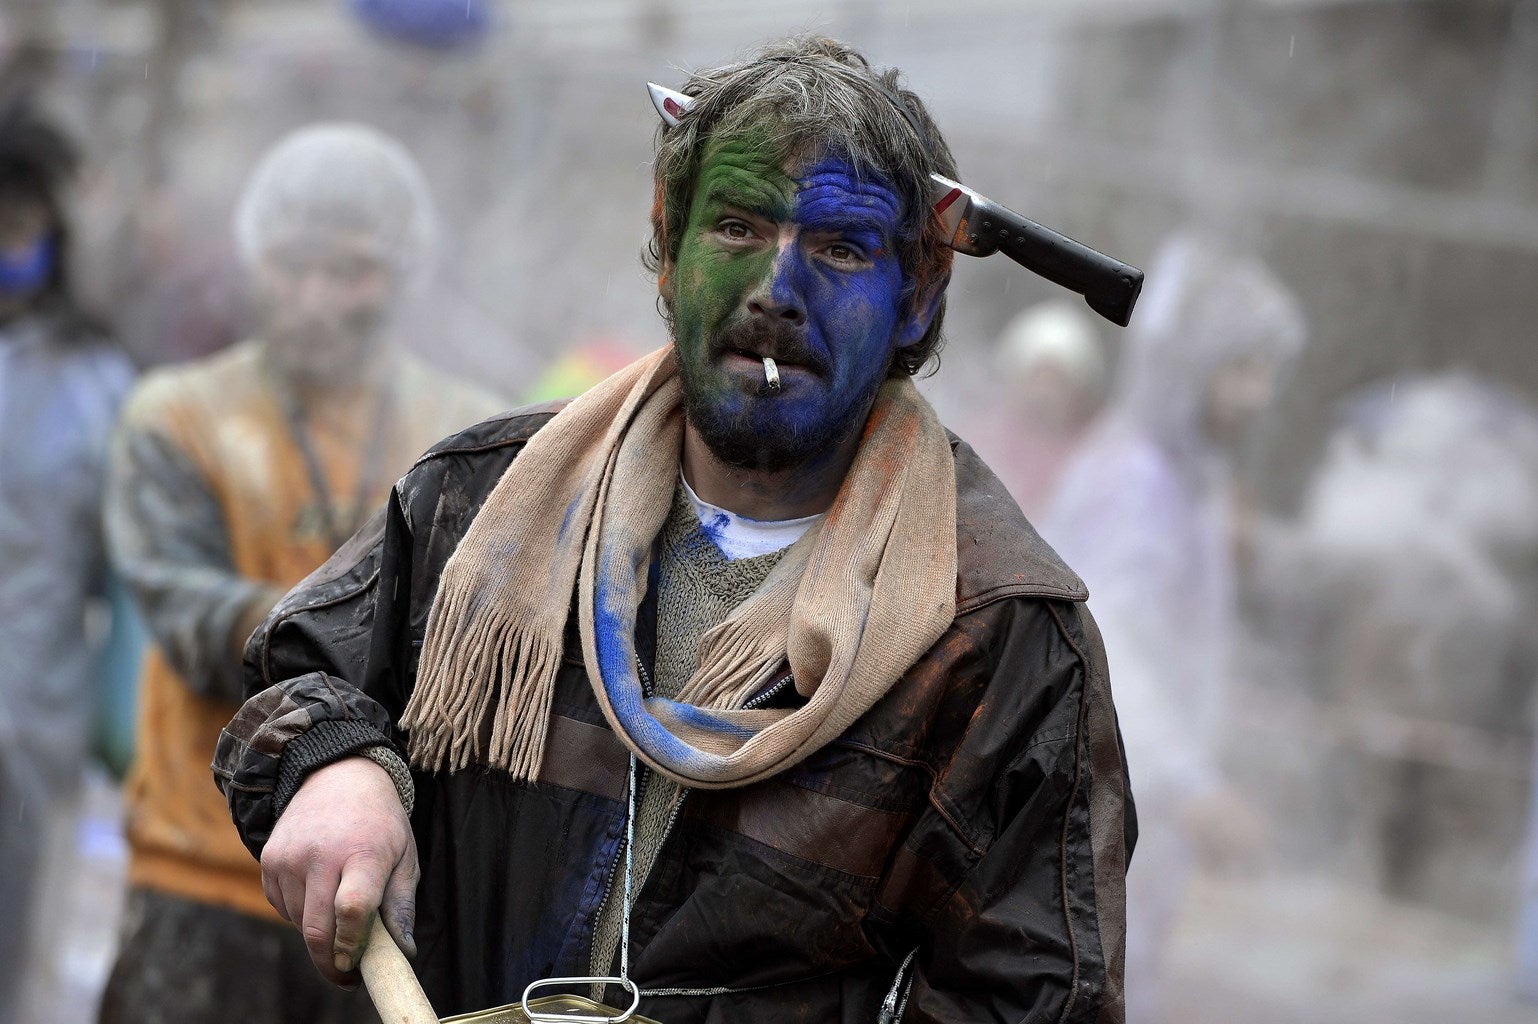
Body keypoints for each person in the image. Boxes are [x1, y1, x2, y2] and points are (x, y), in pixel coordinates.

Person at [216, 39, 1133, 1024]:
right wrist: (338, 765)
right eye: (736, 224)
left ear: (915, 295)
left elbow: (1032, 1000)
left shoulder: (998, 634)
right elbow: (303, 672)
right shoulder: (473, 501)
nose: (777, 289)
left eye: (839, 247)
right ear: (667, 239)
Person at [99, 123, 507, 1024]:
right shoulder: (179, 416)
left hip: (376, 885)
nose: (316, 297)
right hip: (200, 874)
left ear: (403, 275)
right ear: (253, 263)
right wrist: (388, 633)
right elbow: (193, 621)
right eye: (292, 266)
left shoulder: (468, 433)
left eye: (351, 270)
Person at [1041, 232, 1305, 1024]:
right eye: (1241, 369)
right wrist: (1194, 787)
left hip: (1131, 809)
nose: (1259, 395)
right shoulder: (1137, 483)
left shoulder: (1187, 480)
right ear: (1188, 368)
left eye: (1267, 371)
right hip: (1093, 801)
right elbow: (1107, 648)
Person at [0, 100, 135, 1020]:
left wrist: (114, 721)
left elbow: (121, 579)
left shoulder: (98, 387)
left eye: (16, 227)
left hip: (23, 732)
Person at [965, 300, 1106, 520]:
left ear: (1079, 387)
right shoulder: (981, 442)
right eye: (1037, 377)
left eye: (1058, 380)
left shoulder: (1096, 455)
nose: (1045, 392)